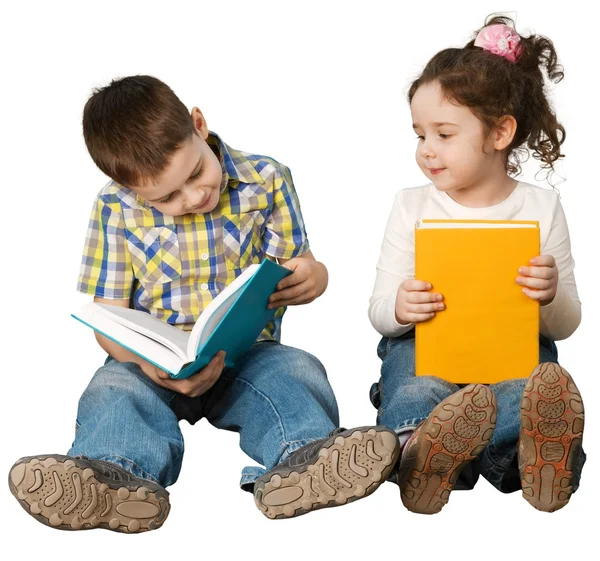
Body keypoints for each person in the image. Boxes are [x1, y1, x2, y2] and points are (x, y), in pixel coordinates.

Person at [8, 75, 400, 532]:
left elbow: (302, 263)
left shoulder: (266, 178)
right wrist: (147, 364)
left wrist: (314, 278)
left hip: (248, 354)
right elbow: (107, 319)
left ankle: (306, 459)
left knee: (297, 369)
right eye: (166, 198)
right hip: (153, 365)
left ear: (198, 124)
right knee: (112, 390)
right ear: (129, 187)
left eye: (195, 173)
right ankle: (113, 478)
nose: (193, 197)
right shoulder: (114, 208)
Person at [367, 16, 585, 515]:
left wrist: (548, 296)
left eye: (443, 134)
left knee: (529, 392)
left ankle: (534, 461)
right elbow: (378, 312)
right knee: (418, 386)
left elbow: (567, 325)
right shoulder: (410, 206)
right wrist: (401, 307)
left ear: (500, 132)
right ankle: (420, 452)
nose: (426, 150)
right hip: (427, 350)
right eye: (420, 134)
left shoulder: (540, 207)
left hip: (511, 352)